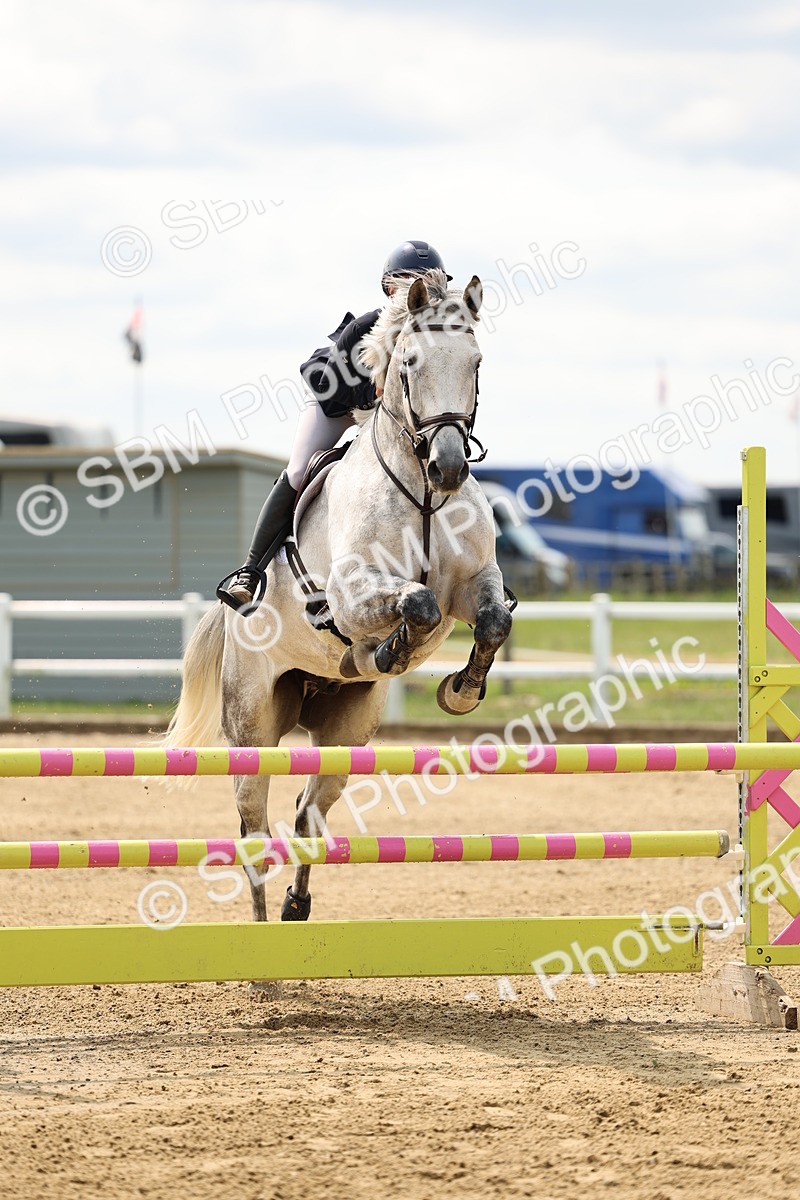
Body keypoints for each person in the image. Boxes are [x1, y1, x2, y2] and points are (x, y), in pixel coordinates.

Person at [217, 240, 450, 610]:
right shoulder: (365, 327)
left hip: (382, 418)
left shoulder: (434, 338)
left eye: (425, 279)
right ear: (390, 287)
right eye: (409, 279)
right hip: (334, 403)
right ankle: (250, 570)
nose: (417, 287)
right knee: (298, 471)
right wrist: (370, 398)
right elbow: (328, 385)